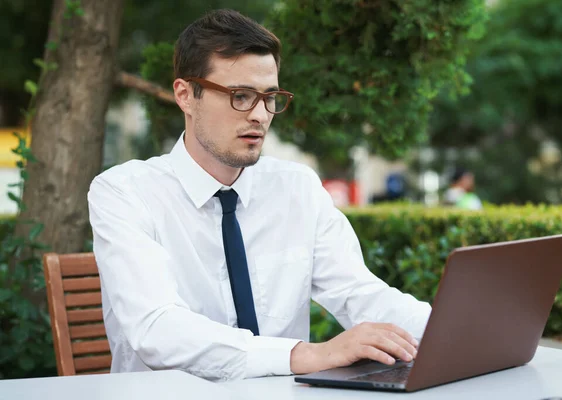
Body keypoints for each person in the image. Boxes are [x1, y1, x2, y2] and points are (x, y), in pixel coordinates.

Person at [88, 9, 431, 382]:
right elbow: (157, 328)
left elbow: (358, 293)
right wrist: (308, 354)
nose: (260, 115)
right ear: (186, 95)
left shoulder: (296, 187)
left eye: (270, 97)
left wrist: (456, 330)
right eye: (240, 96)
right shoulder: (124, 192)